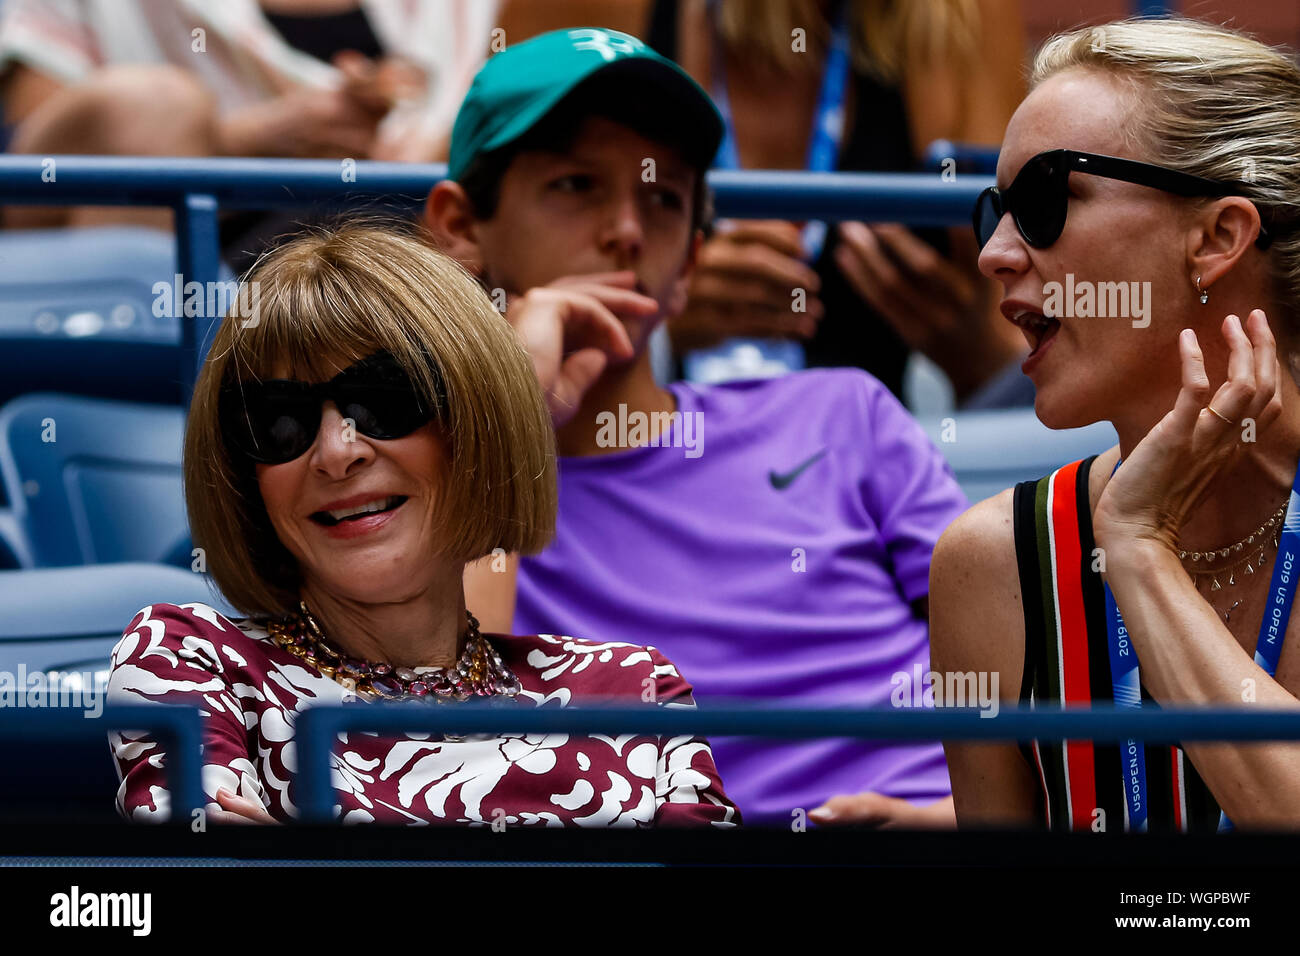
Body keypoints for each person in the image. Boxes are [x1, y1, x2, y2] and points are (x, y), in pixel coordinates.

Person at [428, 27, 967, 826]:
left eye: (664, 197)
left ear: (688, 266)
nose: (627, 230)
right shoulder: (432, 478)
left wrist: (965, 825)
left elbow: (1034, 658)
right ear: (462, 229)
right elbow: (433, 747)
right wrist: (513, 410)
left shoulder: (842, 410)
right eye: (576, 184)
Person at [105, 222, 739, 828]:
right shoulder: (193, 660)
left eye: (384, 400)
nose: (336, 451)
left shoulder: (630, 688)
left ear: (474, 427)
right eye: (278, 421)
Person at [931, 17, 1300, 831]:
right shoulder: (993, 564)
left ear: (1218, 237)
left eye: (1044, 200)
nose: (995, 252)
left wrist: (1138, 549)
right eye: (994, 210)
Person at [647, 0, 1031, 407]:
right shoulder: (627, 14)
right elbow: (577, 311)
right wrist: (655, 329)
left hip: (871, 458)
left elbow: (1013, 365)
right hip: (655, 453)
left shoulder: (959, 15)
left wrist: (973, 354)